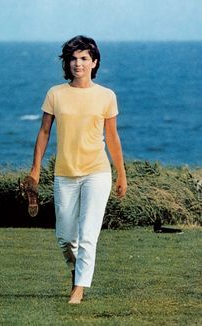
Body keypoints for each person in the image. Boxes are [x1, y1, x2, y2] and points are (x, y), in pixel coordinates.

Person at [29, 35, 127, 304]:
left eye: (84, 58)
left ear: (94, 62)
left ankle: (79, 289)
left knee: (88, 235)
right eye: (73, 58)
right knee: (65, 237)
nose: (78, 63)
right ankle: (77, 272)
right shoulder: (55, 94)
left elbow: (113, 138)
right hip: (65, 173)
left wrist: (121, 174)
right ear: (67, 63)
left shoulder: (106, 96)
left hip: (97, 172)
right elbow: (44, 132)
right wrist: (35, 169)